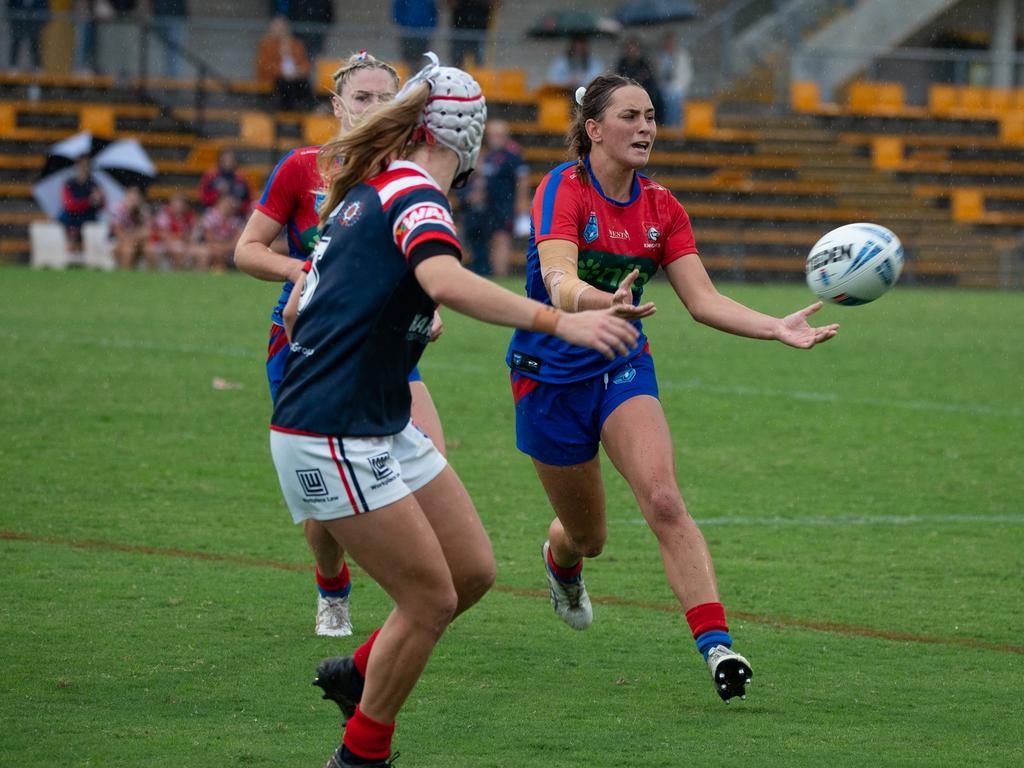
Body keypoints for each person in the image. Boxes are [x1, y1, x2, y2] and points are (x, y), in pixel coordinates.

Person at [269, 53, 643, 768]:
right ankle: (359, 757)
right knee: (431, 599)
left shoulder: (371, 188)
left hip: (373, 420)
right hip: (330, 432)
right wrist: (559, 322)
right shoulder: (412, 194)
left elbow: (294, 309)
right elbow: (442, 278)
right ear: (467, 134)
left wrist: (378, 314)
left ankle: (358, 671)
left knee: (471, 571)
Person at [506, 74, 839, 703]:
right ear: (595, 129)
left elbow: (703, 299)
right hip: (547, 376)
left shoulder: (663, 207)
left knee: (662, 498)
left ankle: (718, 648)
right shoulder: (562, 188)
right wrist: (604, 300)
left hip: (623, 363)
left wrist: (776, 327)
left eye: (652, 116)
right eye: (630, 116)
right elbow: (557, 281)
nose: (646, 128)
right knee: (588, 537)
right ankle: (562, 560)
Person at [236, 51, 418, 638]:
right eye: (361, 99)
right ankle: (332, 582)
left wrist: (428, 304)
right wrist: (303, 274)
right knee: (325, 502)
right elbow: (247, 249)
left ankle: (418, 596)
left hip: (385, 345)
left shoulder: (409, 176)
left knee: (423, 471)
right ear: (338, 107)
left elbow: (426, 258)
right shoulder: (301, 168)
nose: (373, 109)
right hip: (306, 344)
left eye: (384, 99)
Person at [463, 119, 529, 277]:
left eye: (499, 135)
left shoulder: (513, 157)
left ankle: (500, 276)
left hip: (504, 205)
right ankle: (485, 273)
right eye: (492, 135)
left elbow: (522, 180)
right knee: (483, 240)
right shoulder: (485, 155)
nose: (495, 139)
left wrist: (521, 202)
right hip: (486, 207)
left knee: (501, 239)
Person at [256, 16, 314, 112]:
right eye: (276, 27)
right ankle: (288, 110)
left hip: (294, 77)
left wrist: (298, 72)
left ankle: (308, 108)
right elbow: (265, 65)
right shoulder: (266, 45)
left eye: (281, 27)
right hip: (276, 78)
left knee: (304, 84)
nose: (279, 30)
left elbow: (305, 64)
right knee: (284, 84)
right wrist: (283, 72)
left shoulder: (296, 44)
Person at [57, 155, 104, 249]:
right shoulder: (69, 184)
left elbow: (101, 206)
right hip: (71, 218)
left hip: (88, 219)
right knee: (70, 230)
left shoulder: (95, 185)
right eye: (82, 165)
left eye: (86, 165)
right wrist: (89, 201)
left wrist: (99, 200)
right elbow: (69, 205)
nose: (84, 168)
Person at [615, 35, 663, 122]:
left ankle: (655, 120)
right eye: (630, 49)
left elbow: (649, 78)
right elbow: (620, 79)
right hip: (626, 91)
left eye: (635, 49)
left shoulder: (643, 62)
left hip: (644, 90)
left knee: (655, 95)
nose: (633, 51)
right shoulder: (622, 63)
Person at [193, 194, 243, 272]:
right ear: (219, 203)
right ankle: (201, 276)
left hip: (227, 248)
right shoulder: (210, 216)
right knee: (204, 254)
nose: (228, 207)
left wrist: (223, 248)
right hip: (208, 245)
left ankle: (219, 272)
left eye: (230, 205)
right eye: (226, 204)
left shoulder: (235, 219)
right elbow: (208, 238)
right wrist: (218, 248)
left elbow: (237, 240)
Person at [148, 191, 196, 269]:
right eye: (176, 203)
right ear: (171, 204)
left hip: (181, 243)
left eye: (181, 204)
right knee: (177, 248)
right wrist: (178, 238)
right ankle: (175, 272)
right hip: (161, 243)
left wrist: (186, 242)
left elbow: (192, 235)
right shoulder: (164, 214)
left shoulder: (189, 216)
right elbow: (162, 234)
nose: (179, 207)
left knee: (200, 251)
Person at [655, 31, 692, 128]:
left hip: (678, 86)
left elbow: (687, 74)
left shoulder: (681, 56)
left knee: (675, 98)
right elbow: (659, 76)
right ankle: (668, 125)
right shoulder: (661, 57)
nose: (669, 45)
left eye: (671, 42)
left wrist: (681, 87)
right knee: (667, 99)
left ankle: (675, 125)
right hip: (664, 86)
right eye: (667, 42)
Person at [198, 149, 252, 215]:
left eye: (231, 159)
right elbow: (203, 198)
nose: (228, 162)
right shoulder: (211, 176)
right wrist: (217, 194)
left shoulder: (241, 180)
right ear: (220, 160)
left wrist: (239, 205)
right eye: (225, 160)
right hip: (215, 214)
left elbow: (248, 203)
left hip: (236, 216)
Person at [111, 185, 152, 270]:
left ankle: (152, 276)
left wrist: (133, 236)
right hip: (119, 241)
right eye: (132, 199)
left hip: (137, 241)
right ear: (126, 198)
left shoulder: (144, 210)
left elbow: (148, 232)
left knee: (150, 249)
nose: (134, 202)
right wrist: (135, 235)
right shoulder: (118, 209)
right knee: (128, 249)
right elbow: (118, 233)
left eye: (136, 199)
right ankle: (125, 274)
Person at [391, 0, 436, 72]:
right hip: (408, 31)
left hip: (423, 32)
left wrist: (430, 26)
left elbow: (433, 12)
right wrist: (404, 23)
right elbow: (397, 11)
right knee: (408, 55)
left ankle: (415, 72)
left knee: (420, 55)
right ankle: (408, 72)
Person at [7, 0, 49, 72]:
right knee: (16, 43)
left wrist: (40, 21)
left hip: (34, 23)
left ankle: (37, 66)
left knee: (35, 44)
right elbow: (9, 7)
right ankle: (13, 66)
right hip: (18, 23)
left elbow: (45, 8)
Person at [448, 0, 492, 69]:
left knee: (479, 65)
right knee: (456, 64)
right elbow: (451, 4)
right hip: (460, 29)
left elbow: (492, 4)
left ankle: (478, 78)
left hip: (479, 30)